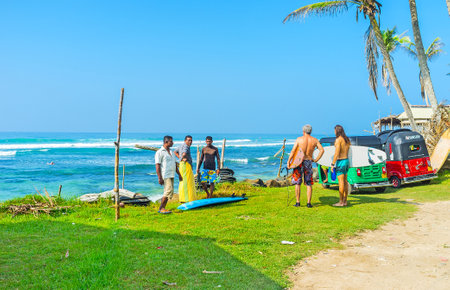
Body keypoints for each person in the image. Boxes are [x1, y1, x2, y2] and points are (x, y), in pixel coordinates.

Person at [287, 124, 324, 208]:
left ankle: (298, 202)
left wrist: (289, 162)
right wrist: (316, 159)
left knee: (297, 182)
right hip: (308, 161)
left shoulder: (299, 139)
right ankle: (308, 203)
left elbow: (293, 151)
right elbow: (322, 150)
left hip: (298, 162)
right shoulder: (314, 140)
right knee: (308, 183)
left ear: (303, 131)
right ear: (310, 131)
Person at [155, 136, 182, 214]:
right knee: (168, 191)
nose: (172, 143)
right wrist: (159, 177)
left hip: (172, 174)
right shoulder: (160, 152)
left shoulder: (171, 152)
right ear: (166, 142)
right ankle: (161, 208)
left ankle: (162, 208)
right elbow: (157, 165)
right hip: (165, 175)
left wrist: (179, 174)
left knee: (170, 192)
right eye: (171, 141)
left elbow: (175, 164)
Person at [330, 125, 351, 207]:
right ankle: (345, 201)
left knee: (341, 183)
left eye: (334, 130)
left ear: (337, 131)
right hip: (346, 161)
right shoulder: (347, 139)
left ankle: (341, 202)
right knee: (345, 182)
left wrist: (332, 164)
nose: (334, 132)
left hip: (341, 161)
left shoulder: (338, 140)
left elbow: (337, 153)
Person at [174, 135, 197, 202]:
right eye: (189, 140)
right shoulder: (186, 146)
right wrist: (182, 158)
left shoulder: (181, 145)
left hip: (182, 165)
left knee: (183, 181)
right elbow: (184, 153)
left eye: (191, 140)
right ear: (185, 140)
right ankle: (188, 199)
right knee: (188, 181)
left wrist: (179, 158)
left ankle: (183, 198)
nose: (190, 142)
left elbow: (175, 151)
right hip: (186, 164)